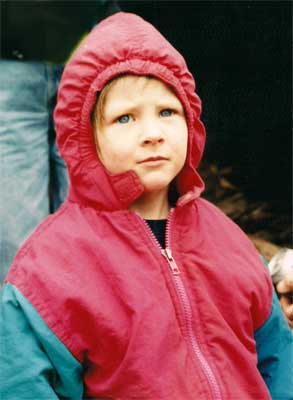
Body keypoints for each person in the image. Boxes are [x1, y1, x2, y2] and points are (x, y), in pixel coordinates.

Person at [1, 12, 292, 400]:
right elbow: (23, 383)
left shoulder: (230, 241)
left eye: (167, 112)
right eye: (125, 118)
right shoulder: (50, 267)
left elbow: (278, 362)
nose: (152, 134)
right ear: (86, 137)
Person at [0, 0, 120, 282]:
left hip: (83, 48)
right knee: (26, 248)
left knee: (92, 235)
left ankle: (39, 320)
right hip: (30, 54)